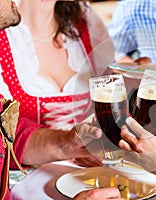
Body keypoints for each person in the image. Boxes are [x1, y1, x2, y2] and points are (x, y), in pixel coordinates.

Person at [0, 0, 123, 199]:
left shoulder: (82, 17)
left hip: (87, 171)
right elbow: (5, 134)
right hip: (22, 182)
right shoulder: (5, 24)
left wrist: (69, 144)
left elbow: (113, 89)